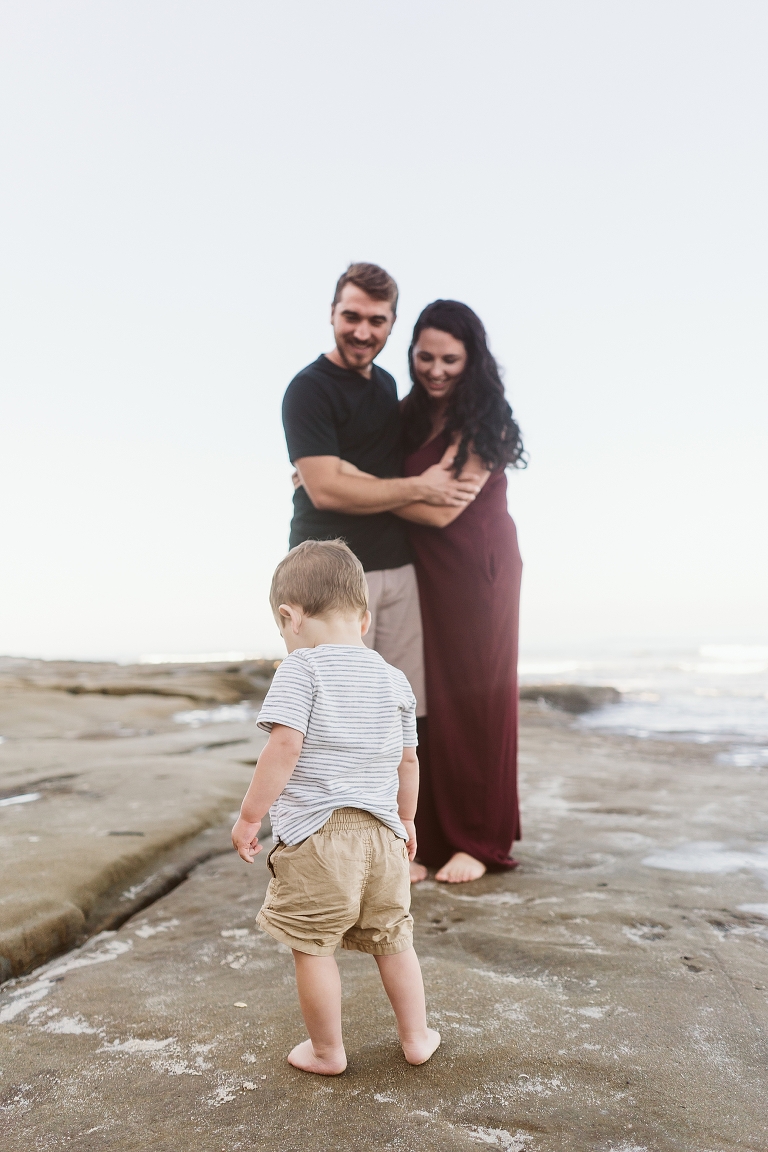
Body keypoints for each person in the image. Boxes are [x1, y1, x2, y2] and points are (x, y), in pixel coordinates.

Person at [231, 540, 441, 1074]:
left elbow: (284, 746)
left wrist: (251, 816)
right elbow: (408, 762)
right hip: (385, 836)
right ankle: (416, 1037)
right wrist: (408, 821)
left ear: (289, 616)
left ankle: (327, 1051)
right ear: (365, 618)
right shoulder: (395, 680)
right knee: (394, 940)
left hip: (320, 838)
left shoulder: (302, 669)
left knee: (312, 947)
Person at [281, 263, 481, 724]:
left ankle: (394, 802)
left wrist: (345, 474)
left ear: (392, 324)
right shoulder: (307, 390)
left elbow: (354, 475)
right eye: (352, 316)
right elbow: (328, 492)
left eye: (377, 320)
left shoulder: (388, 385)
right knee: (333, 717)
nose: (362, 331)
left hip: (398, 566)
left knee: (400, 715)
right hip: (330, 570)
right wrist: (416, 486)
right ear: (332, 313)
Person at [395, 301, 527, 883]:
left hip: (479, 567)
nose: (436, 369)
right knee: (428, 704)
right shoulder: (405, 415)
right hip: (424, 568)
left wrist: (347, 492)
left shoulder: (487, 420)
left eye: (450, 358)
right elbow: (412, 493)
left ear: (471, 360)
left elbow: (445, 509)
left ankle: (481, 838)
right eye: (425, 356)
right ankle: (431, 838)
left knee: (477, 698)